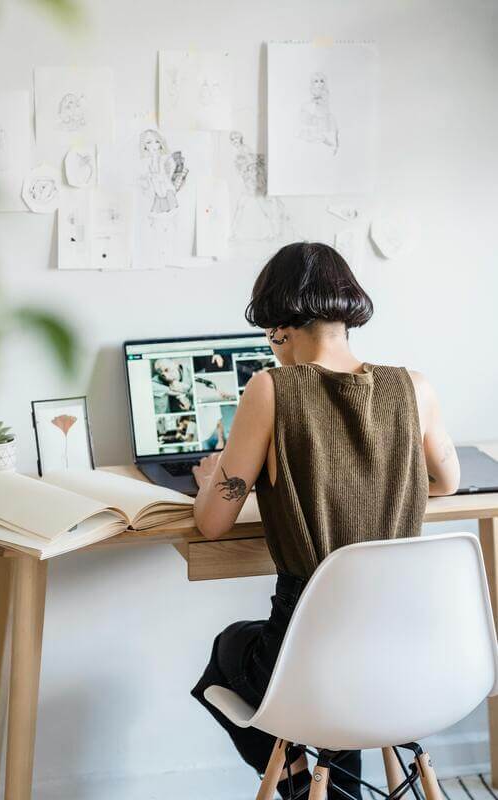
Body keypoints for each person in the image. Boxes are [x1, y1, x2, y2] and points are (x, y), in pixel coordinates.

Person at [190, 242, 460, 800]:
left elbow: (213, 524)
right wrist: (378, 481)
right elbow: (447, 481)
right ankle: (333, 787)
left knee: (228, 652)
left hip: (310, 664)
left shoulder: (269, 388)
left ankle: (295, 780)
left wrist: (211, 476)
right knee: (344, 655)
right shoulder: (416, 387)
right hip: (405, 659)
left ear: (280, 324)